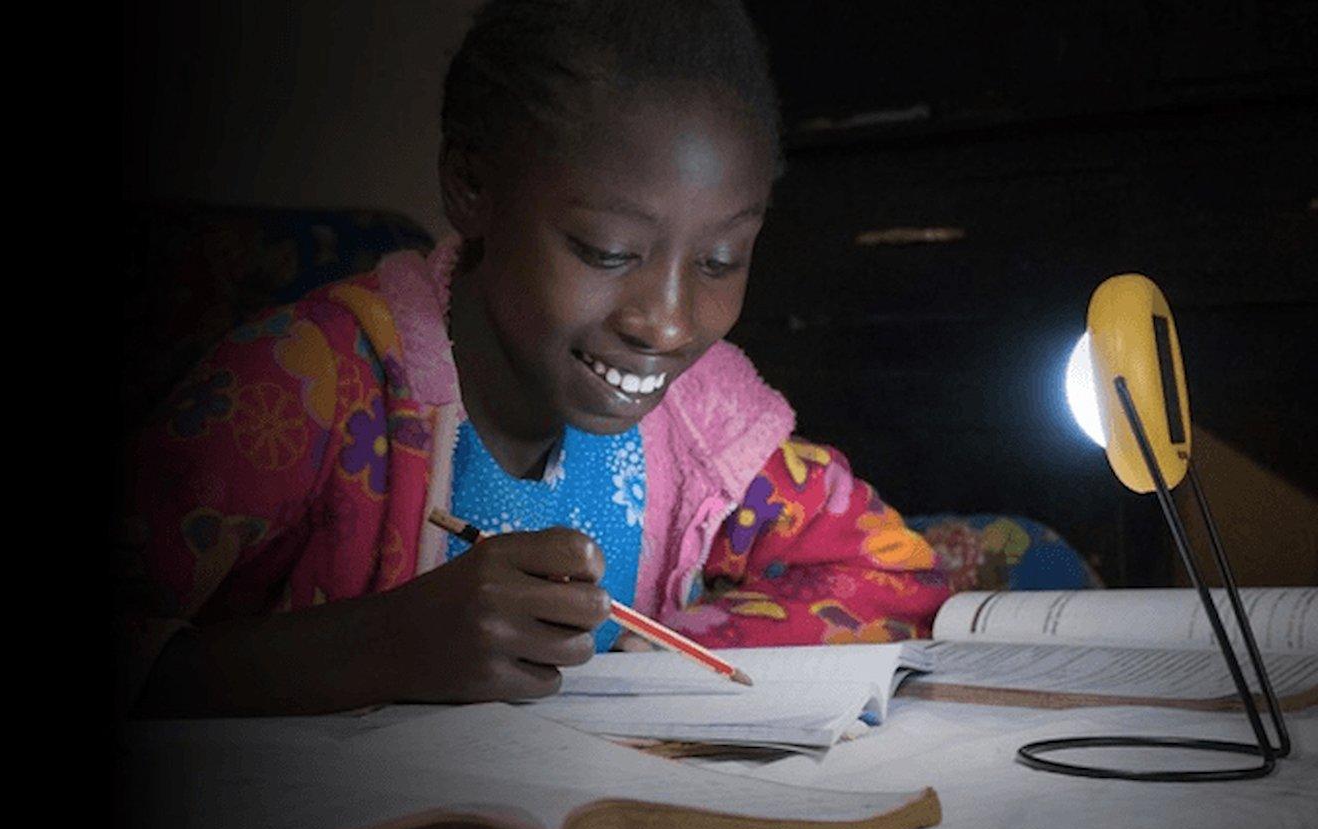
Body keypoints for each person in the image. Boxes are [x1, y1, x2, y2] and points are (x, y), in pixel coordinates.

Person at [119, 0, 952, 718]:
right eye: (607, 250)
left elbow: (889, 572)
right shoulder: (308, 384)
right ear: (470, 185)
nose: (665, 324)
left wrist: (642, 667)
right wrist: (379, 645)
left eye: (720, 261)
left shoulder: (703, 423)